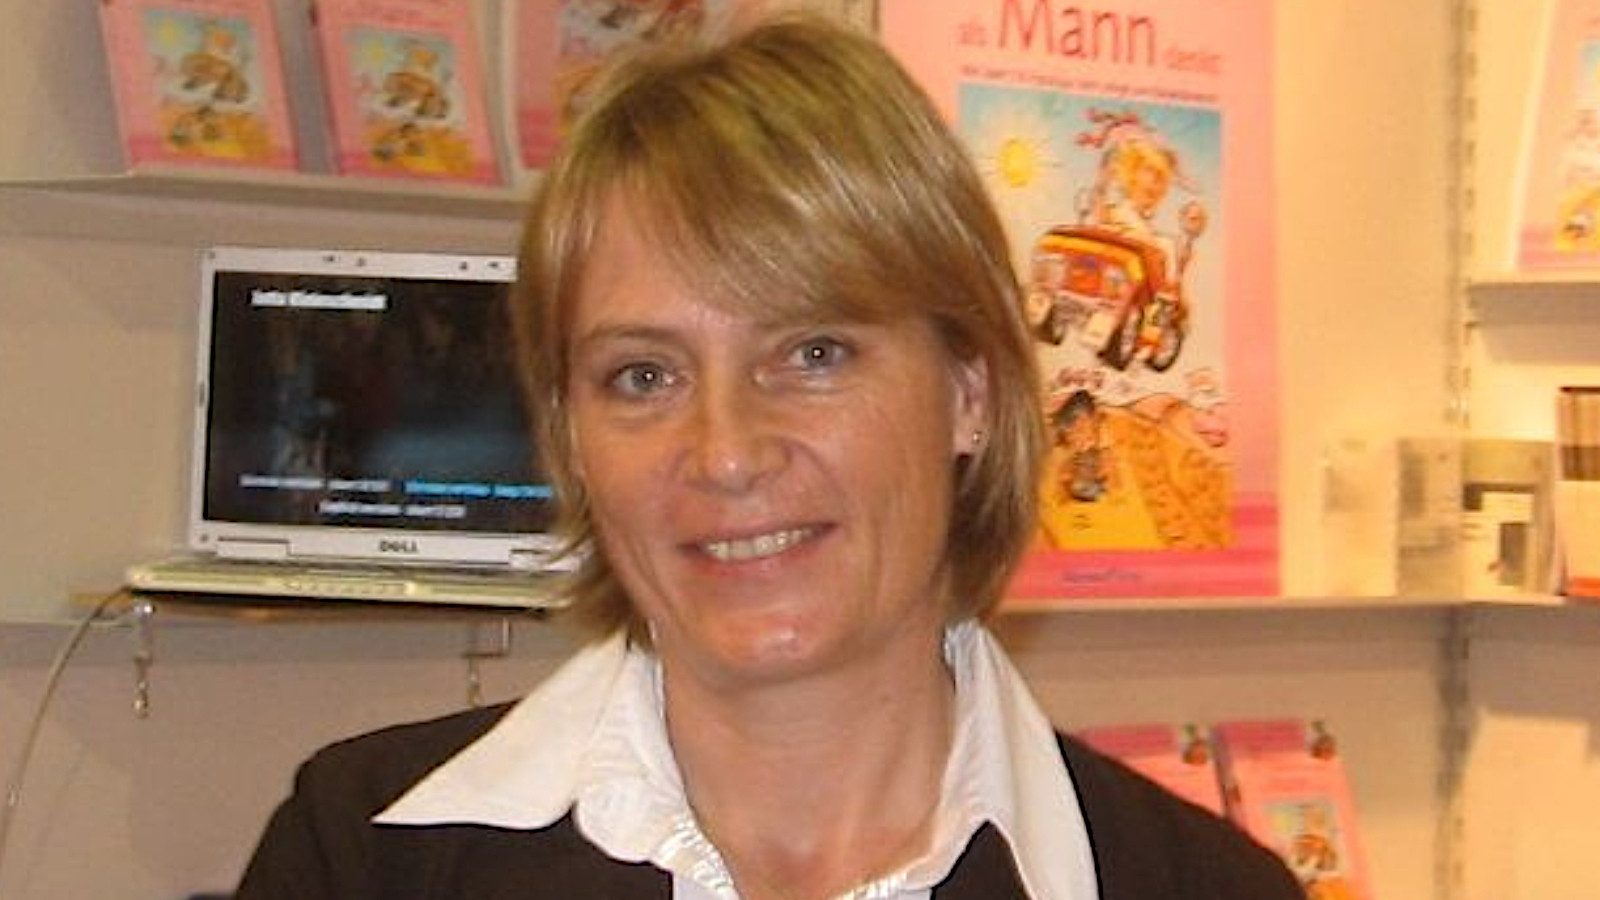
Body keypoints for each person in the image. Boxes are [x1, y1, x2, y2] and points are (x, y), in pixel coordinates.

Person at [233, 14, 1302, 900]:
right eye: (642, 376)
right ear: (570, 439)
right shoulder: (359, 862)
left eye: (813, 353)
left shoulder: (1202, 888)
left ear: (968, 393)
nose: (727, 454)